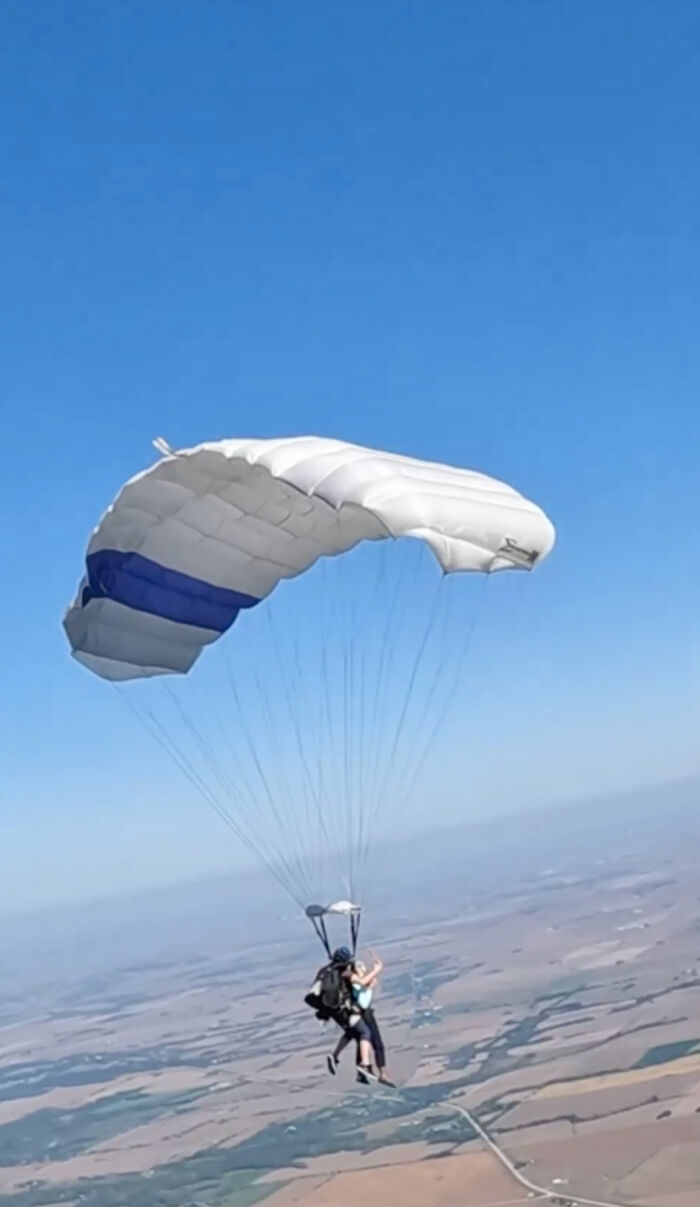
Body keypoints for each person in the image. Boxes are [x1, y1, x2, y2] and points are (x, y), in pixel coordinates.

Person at [327, 952, 395, 1086]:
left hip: (352, 1013)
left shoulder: (342, 975)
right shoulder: (348, 975)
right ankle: (374, 1069)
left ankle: (352, 1066)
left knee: (357, 1036)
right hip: (362, 1012)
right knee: (371, 1039)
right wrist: (375, 971)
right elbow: (362, 988)